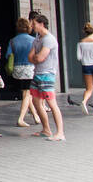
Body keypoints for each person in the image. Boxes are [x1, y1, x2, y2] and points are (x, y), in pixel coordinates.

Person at [28, 11, 65, 142]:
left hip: (47, 75)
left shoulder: (49, 39)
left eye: (34, 24)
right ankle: (46, 129)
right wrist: (35, 58)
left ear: (42, 24)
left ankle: (60, 132)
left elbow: (40, 57)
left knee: (51, 103)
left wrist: (35, 58)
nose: (32, 26)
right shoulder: (37, 39)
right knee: (36, 101)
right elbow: (31, 57)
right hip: (37, 73)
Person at [8, 17, 43, 129]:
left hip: (17, 69)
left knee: (26, 93)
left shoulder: (13, 40)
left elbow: (8, 55)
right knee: (27, 94)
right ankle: (21, 119)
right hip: (29, 69)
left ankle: (35, 116)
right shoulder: (33, 40)